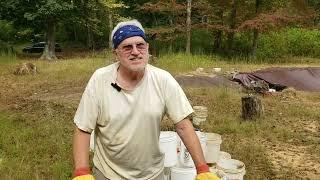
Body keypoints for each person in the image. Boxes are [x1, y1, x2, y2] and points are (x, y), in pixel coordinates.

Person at [72, 19, 220, 180]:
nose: (135, 51)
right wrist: (82, 172)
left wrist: (203, 168)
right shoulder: (100, 79)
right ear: (116, 53)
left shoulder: (163, 79)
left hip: (151, 174)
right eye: (127, 47)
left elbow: (184, 125)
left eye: (140, 45)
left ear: (147, 48)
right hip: (108, 173)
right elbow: (83, 129)